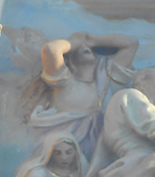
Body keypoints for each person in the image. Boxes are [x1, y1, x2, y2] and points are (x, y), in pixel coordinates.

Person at [27, 31, 138, 159]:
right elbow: (50, 50)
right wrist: (76, 42)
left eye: (91, 49)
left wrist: (92, 40)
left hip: (103, 152)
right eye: (80, 48)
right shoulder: (64, 83)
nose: (86, 48)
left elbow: (131, 44)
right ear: (69, 56)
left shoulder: (109, 80)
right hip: (67, 154)